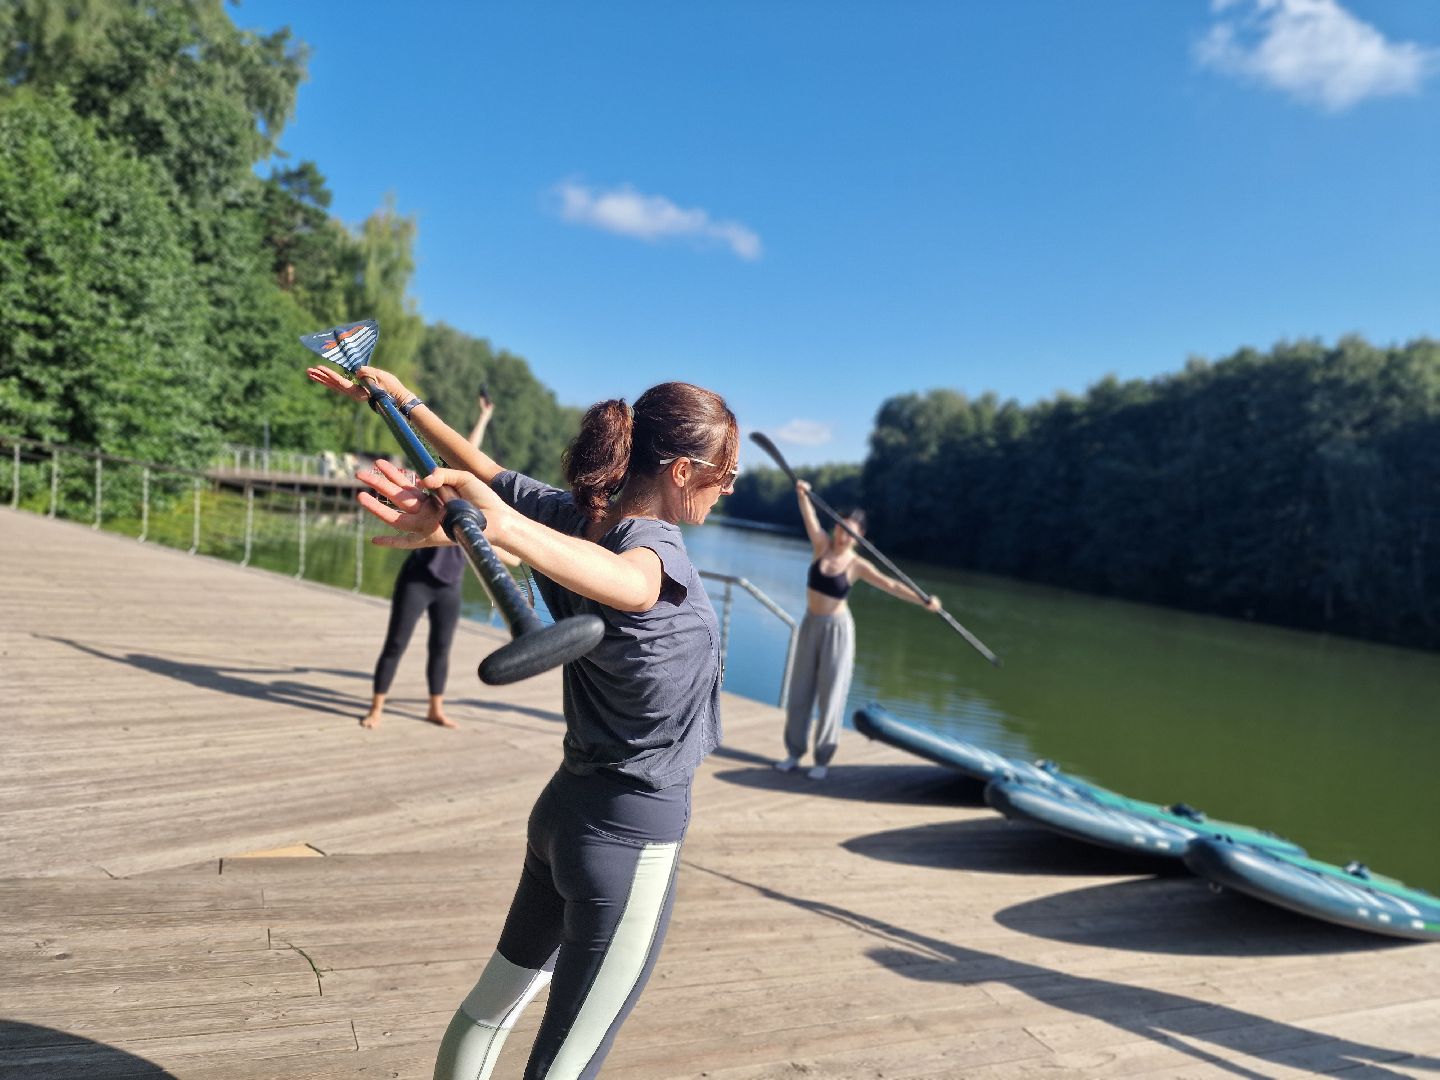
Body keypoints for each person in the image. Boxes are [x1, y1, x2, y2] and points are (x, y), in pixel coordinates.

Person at [307, 362, 737, 1080]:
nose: (728, 491)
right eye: (725, 478)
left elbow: (486, 469)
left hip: (564, 817)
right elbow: (633, 585)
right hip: (628, 845)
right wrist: (497, 528)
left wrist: (406, 402)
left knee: (488, 1012)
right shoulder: (649, 554)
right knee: (565, 1066)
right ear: (685, 470)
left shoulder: (579, 521)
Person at [775, 480, 941, 780]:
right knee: (799, 691)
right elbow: (810, 519)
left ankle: (822, 759)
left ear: (859, 535)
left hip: (837, 631)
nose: (842, 533)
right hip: (810, 624)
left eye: (850, 529)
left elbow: (891, 585)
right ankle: (793, 752)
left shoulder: (857, 565)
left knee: (831, 694)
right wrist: (802, 495)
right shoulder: (821, 546)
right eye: (840, 526)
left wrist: (923, 600)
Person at [361, 393, 496, 729]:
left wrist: (484, 418)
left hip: (449, 582)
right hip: (418, 578)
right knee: (396, 642)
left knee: (441, 647)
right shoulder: (433, 487)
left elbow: (471, 450)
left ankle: (435, 708)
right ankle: (376, 708)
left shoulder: (467, 495)